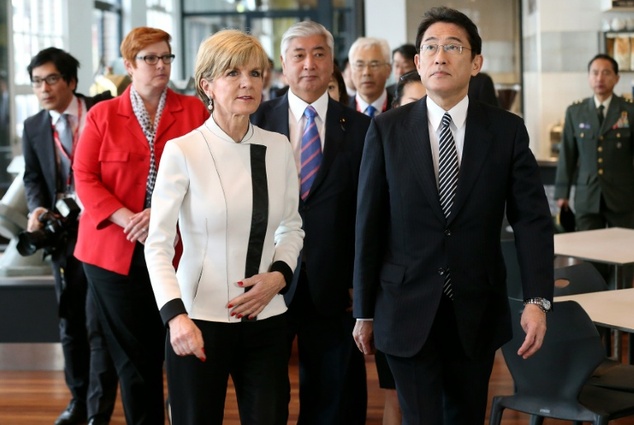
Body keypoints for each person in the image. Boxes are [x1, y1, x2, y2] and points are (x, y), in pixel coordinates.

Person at [352, 7, 554, 425]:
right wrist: (364, 310)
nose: (440, 56)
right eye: (430, 48)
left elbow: (532, 220)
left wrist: (537, 300)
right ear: (419, 64)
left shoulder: (505, 130)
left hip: (475, 308)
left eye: (452, 47)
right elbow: (368, 224)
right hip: (405, 306)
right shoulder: (387, 130)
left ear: (476, 63)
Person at [144, 29, 304, 425]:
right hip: (197, 321)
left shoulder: (278, 146)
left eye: (254, 72)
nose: (247, 82)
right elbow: (159, 246)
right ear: (207, 85)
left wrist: (279, 277)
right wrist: (175, 317)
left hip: (266, 317)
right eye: (232, 73)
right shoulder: (183, 150)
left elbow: (291, 227)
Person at [72, 27, 209, 425]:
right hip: (112, 252)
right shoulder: (102, 114)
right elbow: (84, 176)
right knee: (134, 357)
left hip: (176, 248)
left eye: (166, 57)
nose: (161, 65)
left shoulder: (194, 110)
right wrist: (127, 217)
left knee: (178, 345)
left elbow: (204, 171)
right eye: (151, 58)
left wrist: (161, 213)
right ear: (130, 66)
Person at [251, 21, 371, 425]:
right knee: (265, 390)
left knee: (334, 393)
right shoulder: (254, 122)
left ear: (333, 64)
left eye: (318, 54)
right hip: (265, 279)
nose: (309, 64)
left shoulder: (361, 127)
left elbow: (368, 211)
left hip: (336, 284)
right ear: (283, 66)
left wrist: (362, 279)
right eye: (298, 55)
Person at [22, 47, 118, 425]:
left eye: (50, 79)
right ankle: (79, 400)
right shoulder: (32, 126)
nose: (43, 89)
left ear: (71, 82)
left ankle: (99, 408)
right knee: (70, 323)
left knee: (99, 322)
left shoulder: (102, 110)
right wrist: (37, 208)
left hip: (104, 228)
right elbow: (33, 177)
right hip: (63, 235)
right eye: (36, 82)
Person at [555, 53, 634, 231]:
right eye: (595, 73)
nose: (600, 78)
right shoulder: (575, 112)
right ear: (589, 77)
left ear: (616, 78)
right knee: (588, 253)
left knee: (625, 252)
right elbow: (567, 155)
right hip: (587, 196)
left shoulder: (629, 111)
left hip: (622, 197)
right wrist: (562, 193)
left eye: (606, 73)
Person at [348, 37, 394, 117]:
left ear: (388, 70)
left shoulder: (400, 108)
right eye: (360, 65)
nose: (366, 72)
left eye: (374, 65)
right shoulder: (339, 111)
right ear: (351, 70)